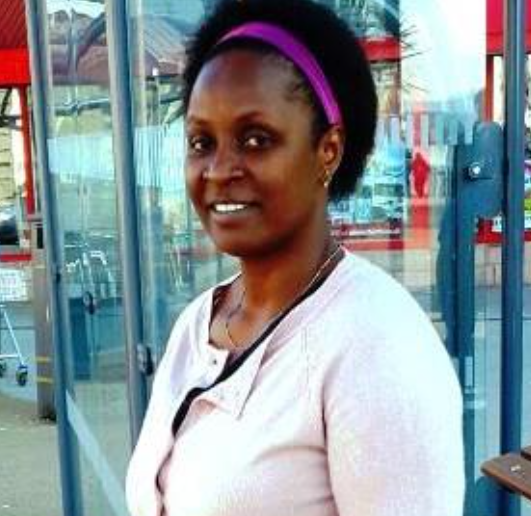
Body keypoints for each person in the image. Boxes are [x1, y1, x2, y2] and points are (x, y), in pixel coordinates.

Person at [126, 0, 464, 515]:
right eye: (201, 141)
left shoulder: (379, 347)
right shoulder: (198, 324)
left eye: (255, 139)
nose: (219, 169)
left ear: (328, 151)